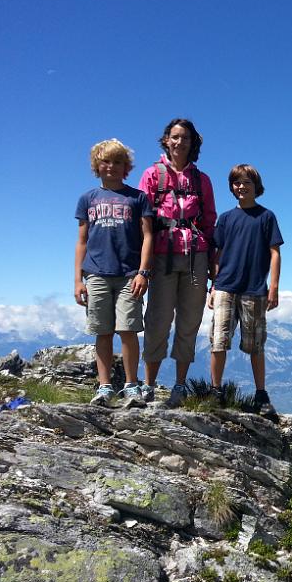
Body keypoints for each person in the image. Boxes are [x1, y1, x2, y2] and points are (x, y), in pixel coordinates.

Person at [138, 119, 217, 407]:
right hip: (162, 254)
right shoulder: (152, 175)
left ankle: (180, 386)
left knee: (189, 321)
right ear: (166, 140)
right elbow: (143, 220)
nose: (179, 142)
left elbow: (209, 221)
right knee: (158, 320)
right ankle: (148, 385)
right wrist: (142, 266)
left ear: (192, 143)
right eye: (175, 137)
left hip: (195, 254)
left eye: (185, 138)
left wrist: (211, 261)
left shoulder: (201, 180)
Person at [74, 139, 154, 408]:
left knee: (128, 329)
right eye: (106, 162)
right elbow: (82, 241)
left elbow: (147, 236)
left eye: (118, 162)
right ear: (97, 166)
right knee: (102, 331)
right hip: (96, 273)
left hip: (129, 274)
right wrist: (77, 280)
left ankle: (131, 386)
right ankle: (105, 387)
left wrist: (143, 272)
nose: (111, 167)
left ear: (126, 167)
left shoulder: (137, 198)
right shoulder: (88, 199)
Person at [208, 164, 283, 416]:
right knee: (219, 340)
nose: (241, 186)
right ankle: (216, 391)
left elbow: (275, 252)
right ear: (232, 187)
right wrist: (213, 286)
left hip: (254, 289)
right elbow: (217, 254)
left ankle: (261, 395)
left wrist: (273, 286)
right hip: (225, 287)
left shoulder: (266, 217)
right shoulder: (226, 219)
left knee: (255, 345)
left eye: (246, 182)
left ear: (256, 186)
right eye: (237, 182)